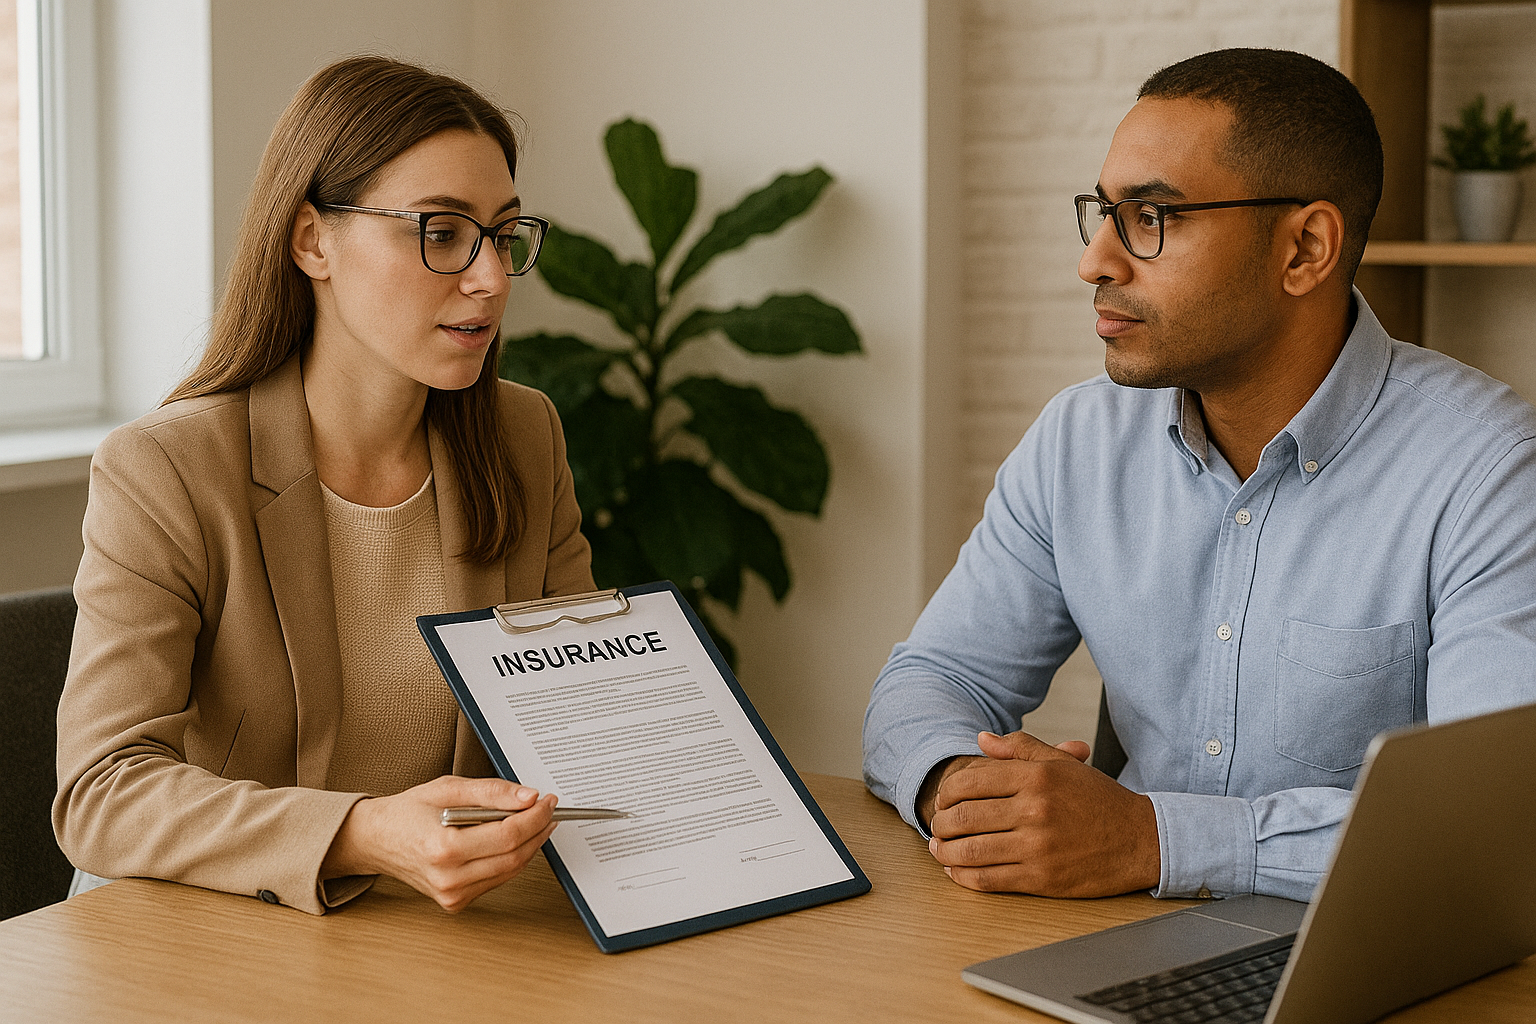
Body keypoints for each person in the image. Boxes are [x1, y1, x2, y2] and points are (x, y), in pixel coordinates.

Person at [863, 48, 1536, 903]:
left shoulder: (1489, 472)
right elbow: (933, 681)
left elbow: (1496, 827)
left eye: (1151, 217)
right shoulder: (1080, 439)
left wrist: (1153, 840)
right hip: (1109, 937)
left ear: (1305, 249)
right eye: (1103, 213)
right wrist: (960, 788)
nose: (1095, 261)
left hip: (1365, 956)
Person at [53, 56, 595, 915]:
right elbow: (103, 791)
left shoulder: (523, 437)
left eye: (502, 233)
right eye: (442, 231)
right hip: (197, 928)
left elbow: (578, 716)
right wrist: (360, 832)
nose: (490, 278)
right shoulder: (166, 467)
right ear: (312, 240)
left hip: (419, 930)